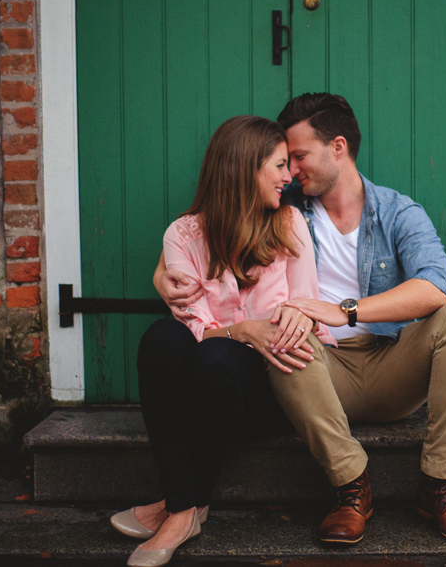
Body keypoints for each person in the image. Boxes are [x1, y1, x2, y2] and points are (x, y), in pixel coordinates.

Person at [155, 93, 446, 544]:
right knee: (288, 333)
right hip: (315, 370)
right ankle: (352, 488)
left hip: (391, 363)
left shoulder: (397, 212)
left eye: (298, 157)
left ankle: (441, 486)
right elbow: (215, 224)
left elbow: (438, 286)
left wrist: (346, 311)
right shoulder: (284, 207)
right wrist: (162, 271)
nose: (290, 171)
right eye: (284, 162)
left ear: (337, 147)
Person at [112, 115, 336, 567]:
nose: (288, 175)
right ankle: (184, 509)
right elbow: (190, 323)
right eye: (277, 165)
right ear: (243, 169)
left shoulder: (290, 224)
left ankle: (175, 508)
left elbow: (304, 315)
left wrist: (245, 334)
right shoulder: (183, 235)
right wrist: (242, 330)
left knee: (215, 354)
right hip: (207, 388)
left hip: (275, 389)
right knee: (161, 338)